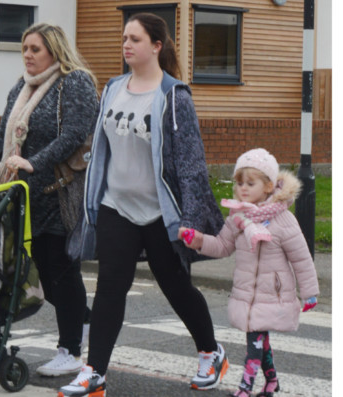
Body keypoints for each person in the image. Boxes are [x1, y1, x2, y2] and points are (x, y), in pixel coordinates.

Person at [59, 13, 228, 397]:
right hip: (117, 206)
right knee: (109, 288)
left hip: (159, 212)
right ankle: (94, 372)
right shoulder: (113, 88)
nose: (126, 45)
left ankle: (210, 351)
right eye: (123, 38)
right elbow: (101, 151)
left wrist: (190, 219)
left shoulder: (174, 96)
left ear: (156, 46)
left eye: (135, 39)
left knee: (175, 285)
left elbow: (190, 163)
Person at [0, 23, 98, 377]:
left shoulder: (76, 81)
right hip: (23, 197)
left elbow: (74, 134)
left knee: (61, 271)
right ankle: (85, 319)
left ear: (54, 50)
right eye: (24, 48)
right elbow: (2, 132)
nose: (27, 55)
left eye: (35, 49)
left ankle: (70, 350)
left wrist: (34, 163)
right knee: (39, 274)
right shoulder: (21, 87)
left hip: (61, 194)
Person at [180, 148, 319, 397]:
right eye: (240, 182)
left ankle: (245, 388)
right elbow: (222, 246)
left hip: (271, 294)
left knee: (254, 340)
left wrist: (310, 293)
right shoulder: (238, 219)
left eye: (250, 183)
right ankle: (272, 382)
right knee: (259, 338)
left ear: (268, 187)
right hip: (247, 293)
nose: (243, 188)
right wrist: (199, 241)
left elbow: (301, 258)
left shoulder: (283, 220)